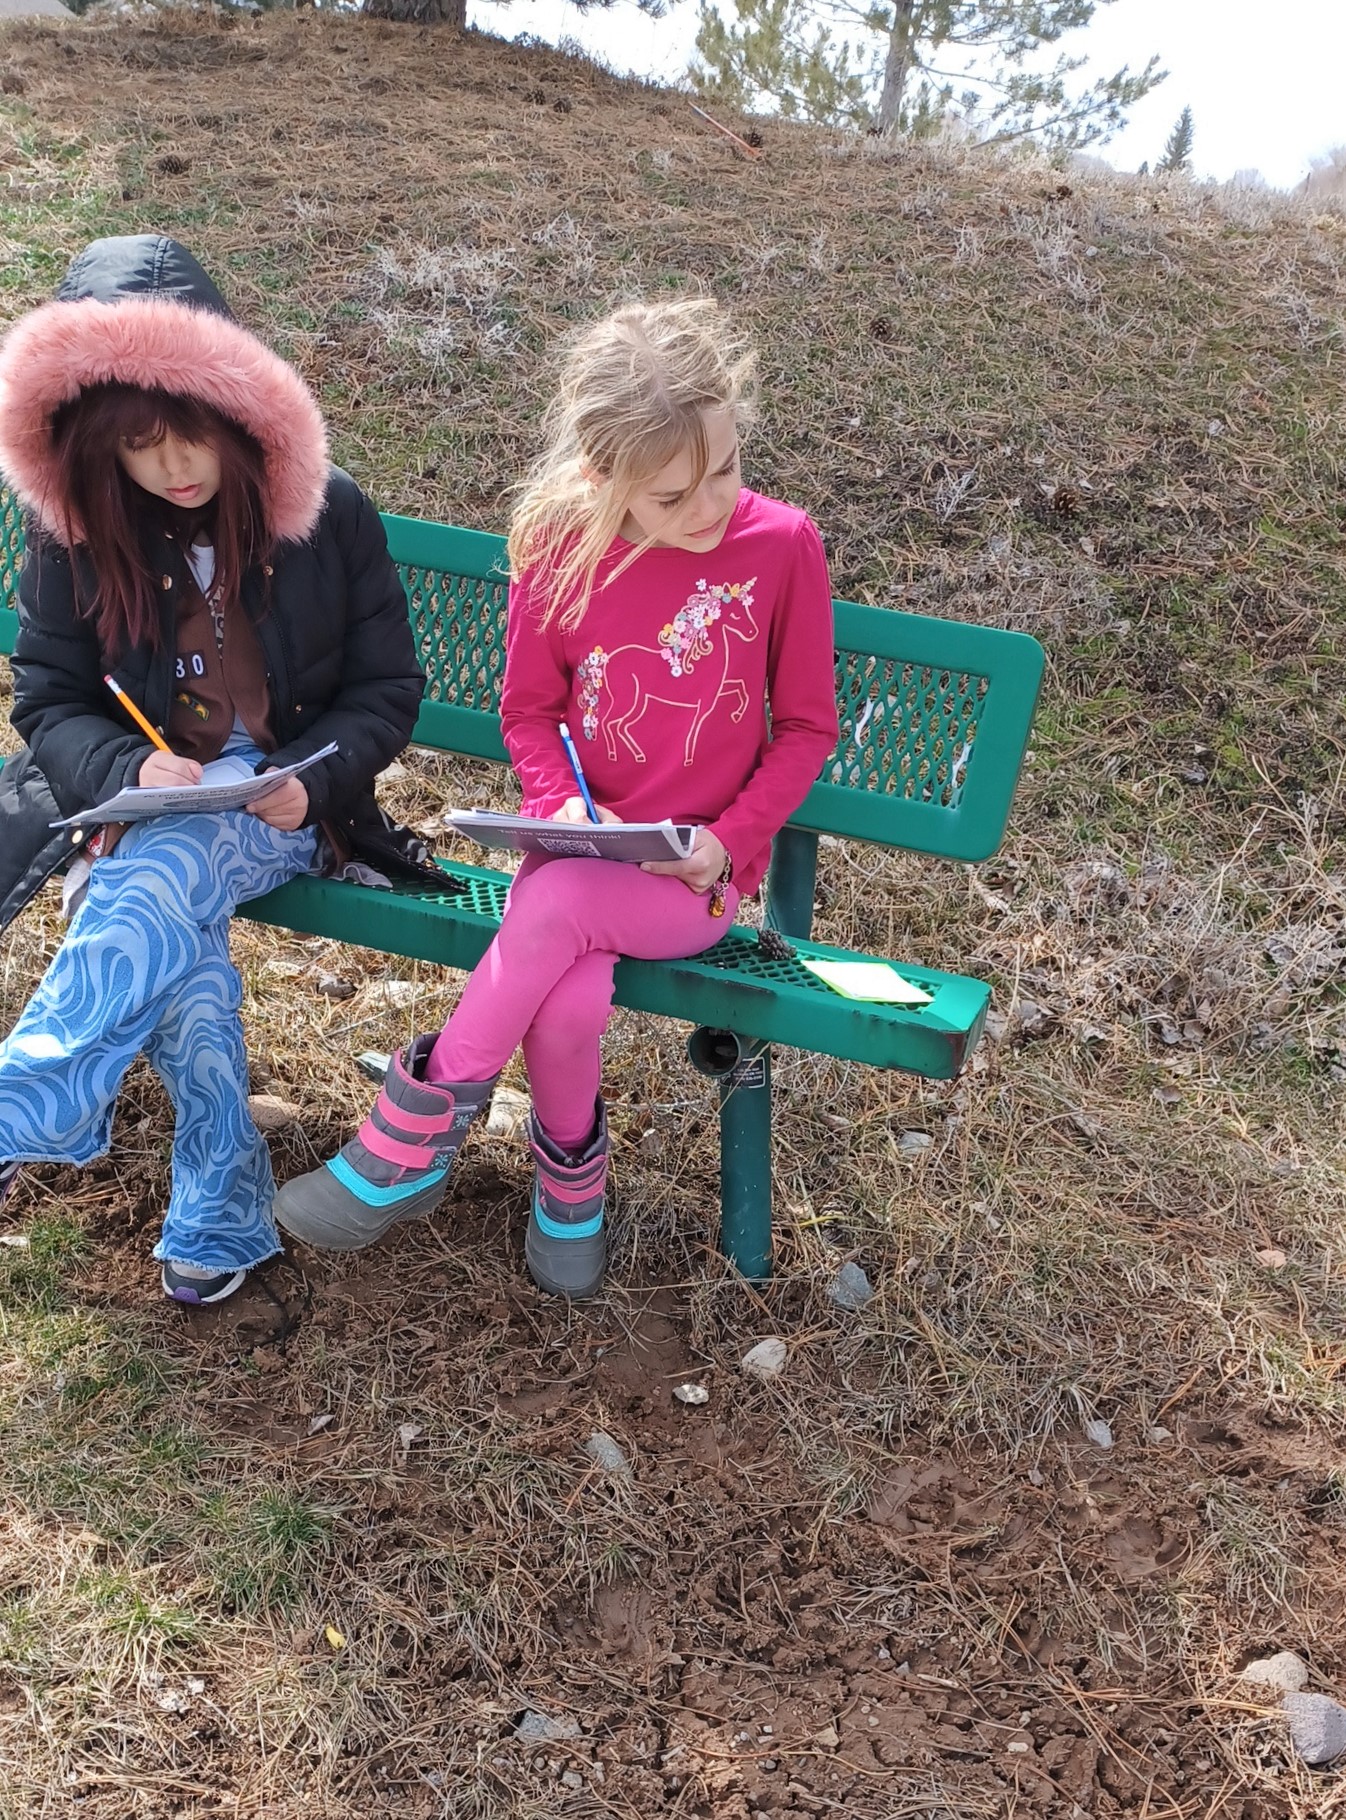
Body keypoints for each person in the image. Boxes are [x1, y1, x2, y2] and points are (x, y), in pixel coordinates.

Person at [277, 298, 840, 1299]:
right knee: (567, 993)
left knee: (556, 910)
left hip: (692, 881)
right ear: (598, 478)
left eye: (724, 467)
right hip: (571, 855)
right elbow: (530, 713)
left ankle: (405, 1143)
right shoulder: (555, 546)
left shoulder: (780, 546)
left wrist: (726, 841)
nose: (708, 503)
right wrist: (555, 799)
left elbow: (804, 728)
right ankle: (569, 1190)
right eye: (671, 494)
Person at [0, 234, 431, 1306]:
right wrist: (129, 763)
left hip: (284, 802)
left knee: (157, 873)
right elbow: (48, 698)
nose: (173, 466)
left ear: (239, 409)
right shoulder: (76, 538)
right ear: (100, 451)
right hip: (148, 800)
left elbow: (385, 691)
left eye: (190, 433)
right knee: (181, 952)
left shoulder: (330, 515)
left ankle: (31, 1094)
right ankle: (221, 1211)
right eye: (140, 447)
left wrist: (310, 778)